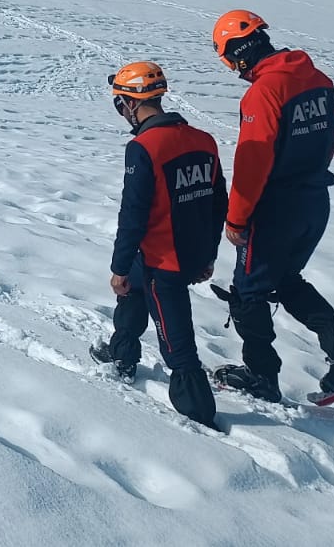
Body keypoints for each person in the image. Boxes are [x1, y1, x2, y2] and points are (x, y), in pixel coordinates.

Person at [208, 10, 334, 402]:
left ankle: (261, 376)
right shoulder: (317, 80)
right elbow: (328, 139)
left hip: (274, 209)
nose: (233, 68)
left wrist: (237, 217)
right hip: (315, 200)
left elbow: (253, 160)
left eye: (230, 59)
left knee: (248, 293)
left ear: (237, 52)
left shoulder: (264, 91)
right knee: (285, 280)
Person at [88, 61, 222, 430]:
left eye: (119, 103)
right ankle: (122, 356)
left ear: (130, 104)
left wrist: (117, 266)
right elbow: (217, 202)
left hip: (164, 260)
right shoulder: (203, 140)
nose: (119, 111)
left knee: (177, 341)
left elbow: (133, 214)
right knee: (132, 290)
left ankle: (198, 411)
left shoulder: (145, 147)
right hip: (188, 251)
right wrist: (209, 253)